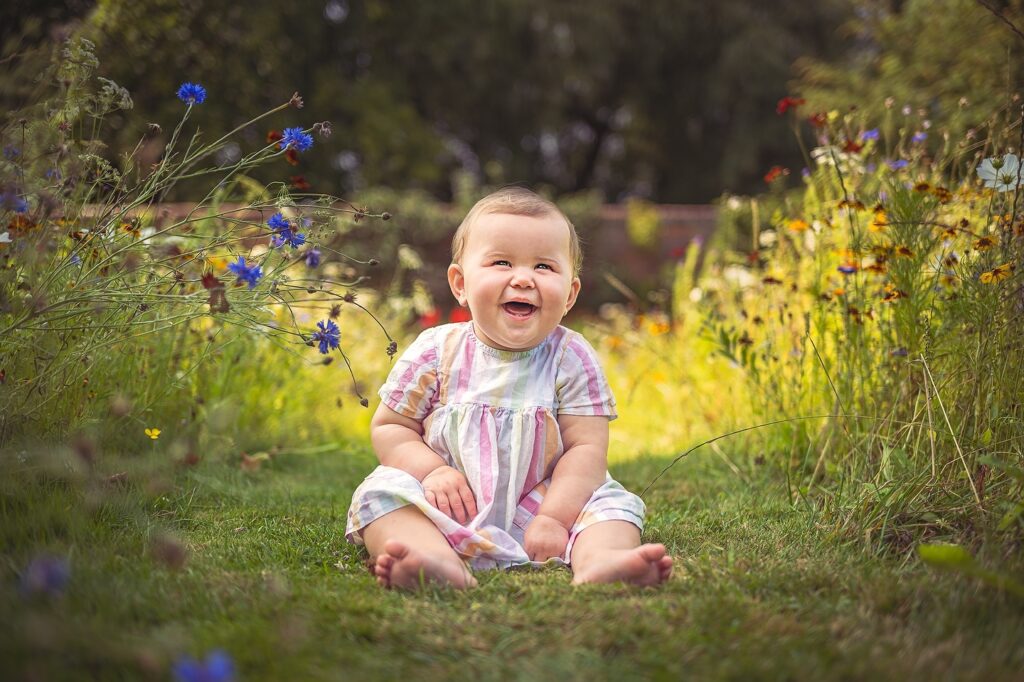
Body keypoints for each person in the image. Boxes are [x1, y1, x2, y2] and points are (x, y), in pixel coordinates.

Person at [345, 187, 672, 589]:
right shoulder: (435, 351)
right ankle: (433, 560)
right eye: (501, 262)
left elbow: (587, 449)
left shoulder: (571, 357)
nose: (523, 279)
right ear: (460, 283)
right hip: (449, 502)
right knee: (379, 494)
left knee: (611, 506)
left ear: (570, 294)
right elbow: (391, 427)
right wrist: (432, 472)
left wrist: (554, 517)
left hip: (546, 504)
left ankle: (603, 561)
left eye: (544, 267)